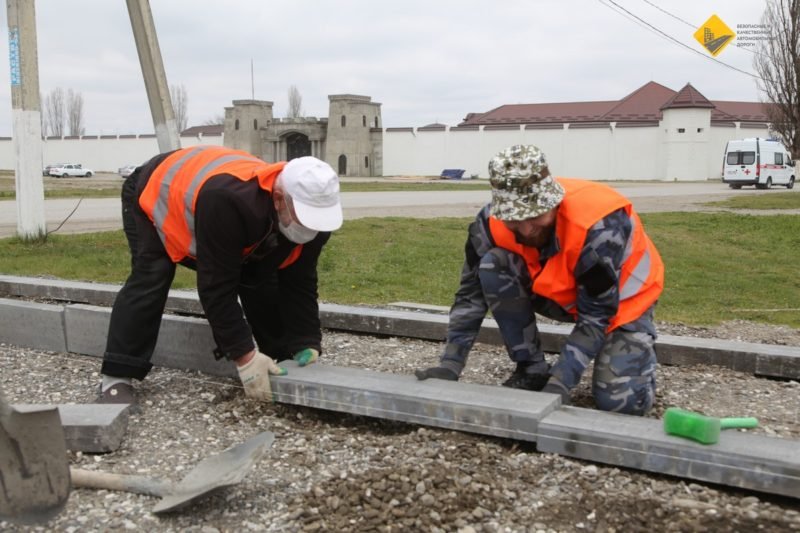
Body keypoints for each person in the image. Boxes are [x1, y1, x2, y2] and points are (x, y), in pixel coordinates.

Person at [415, 145, 664, 415]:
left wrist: (560, 383)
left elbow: (596, 314)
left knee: (622, 405)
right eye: (514, 218)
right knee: (492, 264)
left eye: (534, 216)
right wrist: (450, 366)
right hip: (560, 294)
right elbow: (469, 296)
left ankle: (638, 353)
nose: (525, 229)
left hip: (623, 305)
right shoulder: (487, 224)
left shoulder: (599, 227)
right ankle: (531, 369)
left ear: (555, 203)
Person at [97, 145, 342, 406]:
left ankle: (280, 357)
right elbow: (216, 286)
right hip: (155, 189)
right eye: (303, 217)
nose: (308, 227)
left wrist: (306, 341)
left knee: (261, 275)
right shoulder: (228, 200)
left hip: (224, 204)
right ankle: (117, 375)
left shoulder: (317, 219)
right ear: (279, 197)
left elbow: (299, 281)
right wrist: (244, 356)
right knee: (152, 275)